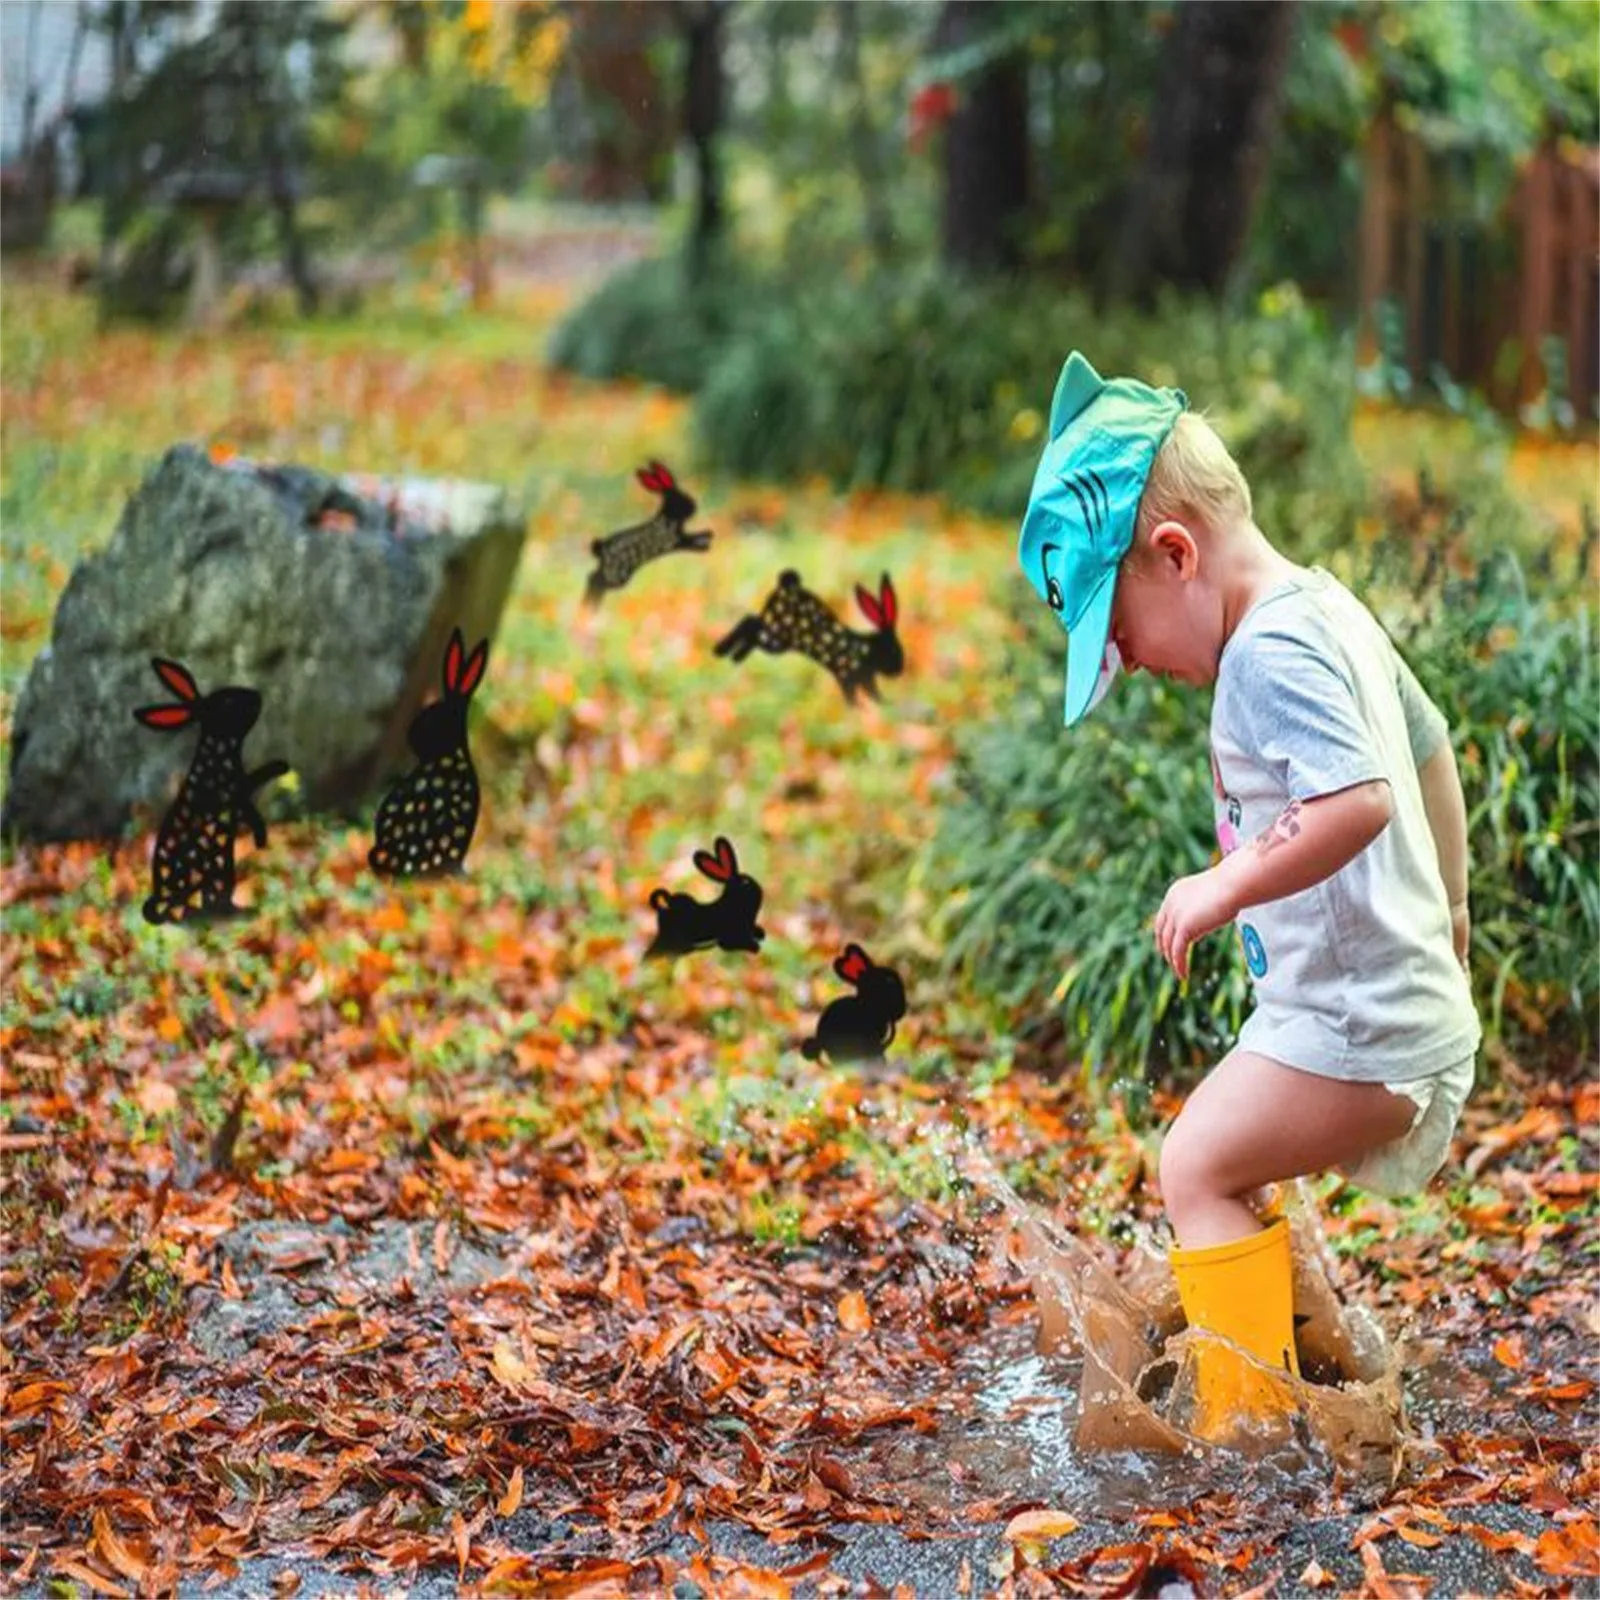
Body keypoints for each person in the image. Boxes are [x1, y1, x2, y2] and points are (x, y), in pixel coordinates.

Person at [1015, 352, 1481, 1443]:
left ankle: (1250, 1437)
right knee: (1234, 1164)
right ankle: (1318, 1361)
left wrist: (1224, 881)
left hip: (1359, 1027)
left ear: (1174, 553)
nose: (1126, 665)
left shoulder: (1267, 649)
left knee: (1194, 1163)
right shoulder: (1326, 608)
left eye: (1118, 636)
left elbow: (1361, 798)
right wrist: (1450, 915)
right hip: (1380, 1012)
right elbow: (1429, 747)